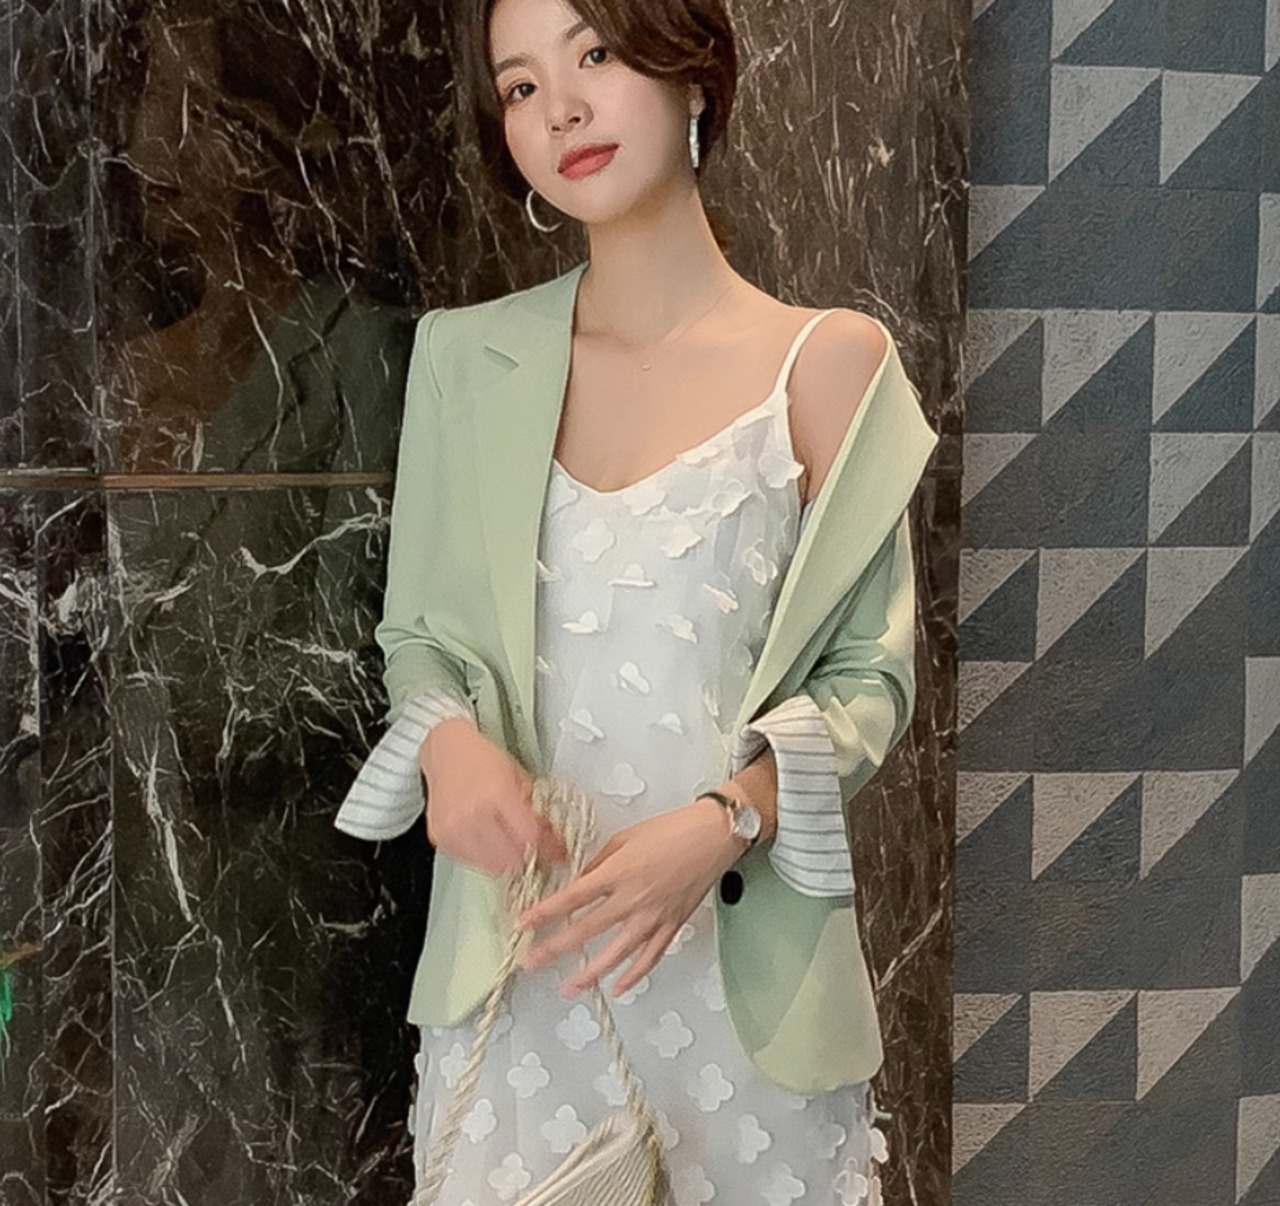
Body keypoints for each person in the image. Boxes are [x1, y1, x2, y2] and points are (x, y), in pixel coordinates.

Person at [336, 0, 936, 1200]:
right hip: (522, 978)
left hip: (744, 1001)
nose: (560, 109)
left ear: (691, 73)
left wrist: (723, 823)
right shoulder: (463, 361)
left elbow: (868, 682)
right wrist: (447, 748)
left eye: (595, 56)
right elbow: (421, 638)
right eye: (519, 87)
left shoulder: (829, 365)